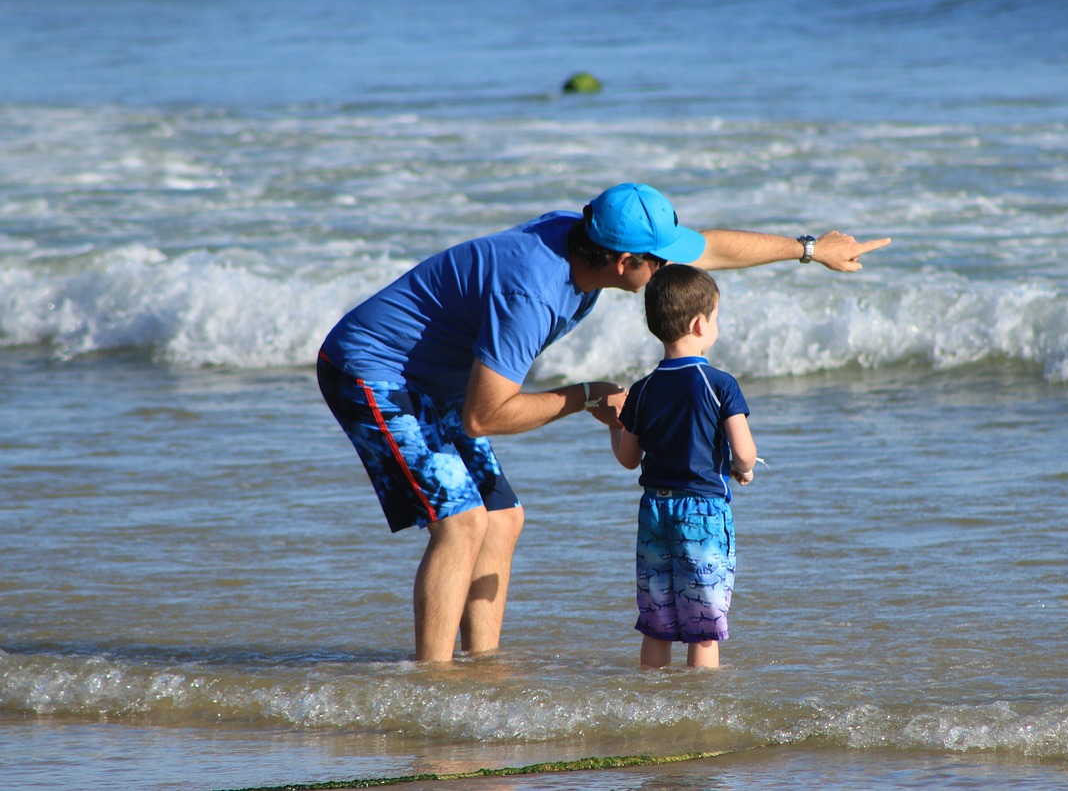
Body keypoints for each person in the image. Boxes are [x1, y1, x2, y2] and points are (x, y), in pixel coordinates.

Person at [317, 182, 890, 663]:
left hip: (437, 377)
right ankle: (435, 682)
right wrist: (586, 395)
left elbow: (711, 247)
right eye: (658, 261)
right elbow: (485, 415)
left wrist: (809, 250)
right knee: (462, 523)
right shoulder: (532, 293)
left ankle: (481, 669)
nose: (669, 269)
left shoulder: (586, 237)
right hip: (370, 371)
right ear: (624, 263)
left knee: (504, 518)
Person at [609, 264, 755, 669]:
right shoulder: (720, 384)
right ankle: (699, 705)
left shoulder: (643, 389)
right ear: (699, 325)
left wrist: (614, 423)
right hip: (702, 513)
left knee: (657, 622)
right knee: (702, 627)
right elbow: (744, 453)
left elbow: (628, 458)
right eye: (716, 318)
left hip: (655, 511)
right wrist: (742, 468)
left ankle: (651, 697)